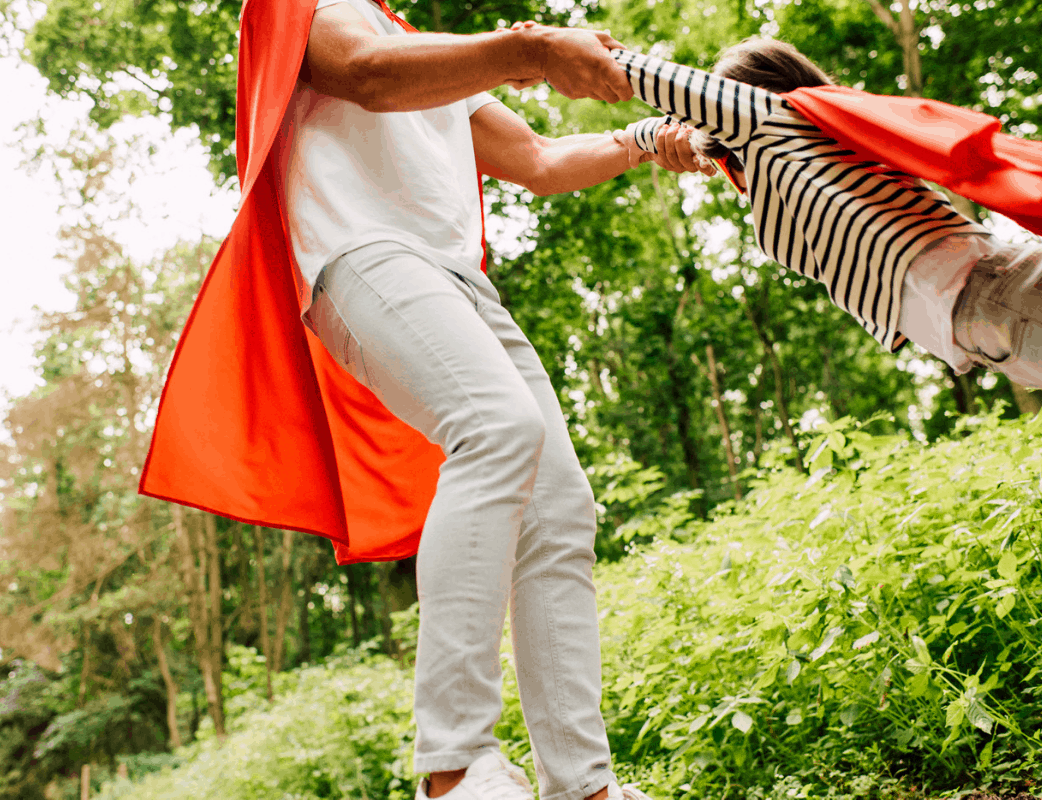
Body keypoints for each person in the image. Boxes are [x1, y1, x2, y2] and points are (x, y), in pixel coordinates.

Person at [141, 2, 711, 800]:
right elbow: (366, 77)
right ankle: (451, 767)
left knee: (560, 505)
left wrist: (643, 140)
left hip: (458, 280)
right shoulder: (303, 7)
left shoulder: (425, 46)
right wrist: (538, 50)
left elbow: (540, 160)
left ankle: (582, 785)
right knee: (496, 429)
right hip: (361, 255)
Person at [613, 39, 1042, 388]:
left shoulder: (772, 123)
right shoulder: (809, 159)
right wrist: (651, 137)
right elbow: (693, 134)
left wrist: (581, 53)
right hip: (990, 308)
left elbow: (663, 85)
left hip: (992, 294)